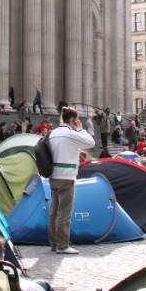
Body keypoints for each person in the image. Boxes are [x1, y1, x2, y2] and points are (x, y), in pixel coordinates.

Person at [48, 106, 95, 254]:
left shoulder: (53, 133)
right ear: (73, 120)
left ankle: (54, 243)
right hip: (66, 175)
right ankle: (63, 245)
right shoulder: (71, 134)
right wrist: (80, 129)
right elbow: (91, 142)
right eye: (77, 120)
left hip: (53, 175)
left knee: (54, 211)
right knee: (64, 213)